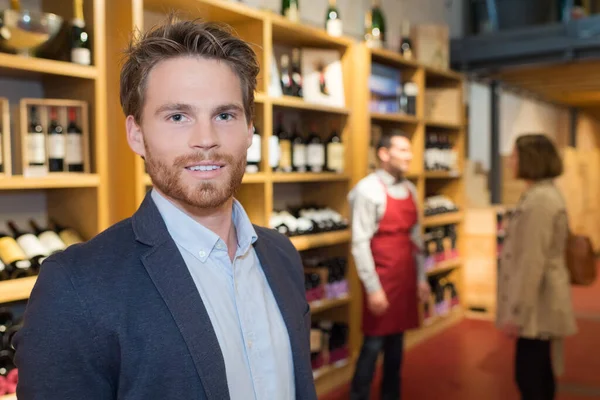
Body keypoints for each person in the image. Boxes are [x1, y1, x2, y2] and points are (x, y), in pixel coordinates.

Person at [13, 15, 317, 400]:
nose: (205, 139)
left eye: (224, 115)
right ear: (136, 134)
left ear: (249, 130)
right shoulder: (75, 287)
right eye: (177, 116)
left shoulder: (282, 256)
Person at [348, 131, 430, 400]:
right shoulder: (367, 190)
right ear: (384, 154)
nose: (409, 156)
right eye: (403, 150)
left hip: (405, 278)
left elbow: (416, 240)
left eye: (410, 150)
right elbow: (360, 243)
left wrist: (421, 278)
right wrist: (372, 288)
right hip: (382, 279)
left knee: (396, 346)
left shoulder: (411, 189)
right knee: (372, 345)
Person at [497, 133, 577, 400]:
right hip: (538, 303)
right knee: (539, 373)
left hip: (537, 306)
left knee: (530, 376)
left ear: (530, 160)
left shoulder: (540, 201)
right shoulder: (539, 195)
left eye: (515, 156)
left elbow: (532, 263)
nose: (510, 161)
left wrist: (516, 312)